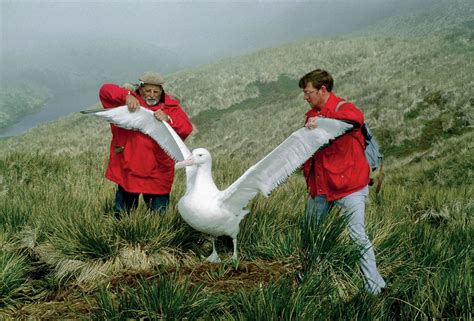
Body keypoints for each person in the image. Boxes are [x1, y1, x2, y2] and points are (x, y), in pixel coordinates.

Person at [299, 69, 386, 295]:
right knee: (309, 230)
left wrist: (324, 121)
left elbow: (356, 118)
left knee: (357, 235)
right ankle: (310, 277)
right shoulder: (312, 115)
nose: (305, 97)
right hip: (322, 187)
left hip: (348, 187)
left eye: (309, 92)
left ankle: (375, 288)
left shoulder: (343, 108)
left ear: (323, 90)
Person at [99, 71, 193, 216]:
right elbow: (105, 90)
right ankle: (121, 235)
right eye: (148, 90)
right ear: (140, 89)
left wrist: (168, 119)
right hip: (129, 166)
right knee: (123, 213)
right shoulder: (130, 100)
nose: (152, 95)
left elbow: (186, 128)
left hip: (158, 170)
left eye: (156, 91)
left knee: (158, 216)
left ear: (162, 91)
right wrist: (126, 96)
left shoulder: (170, 107)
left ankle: (157, 237)